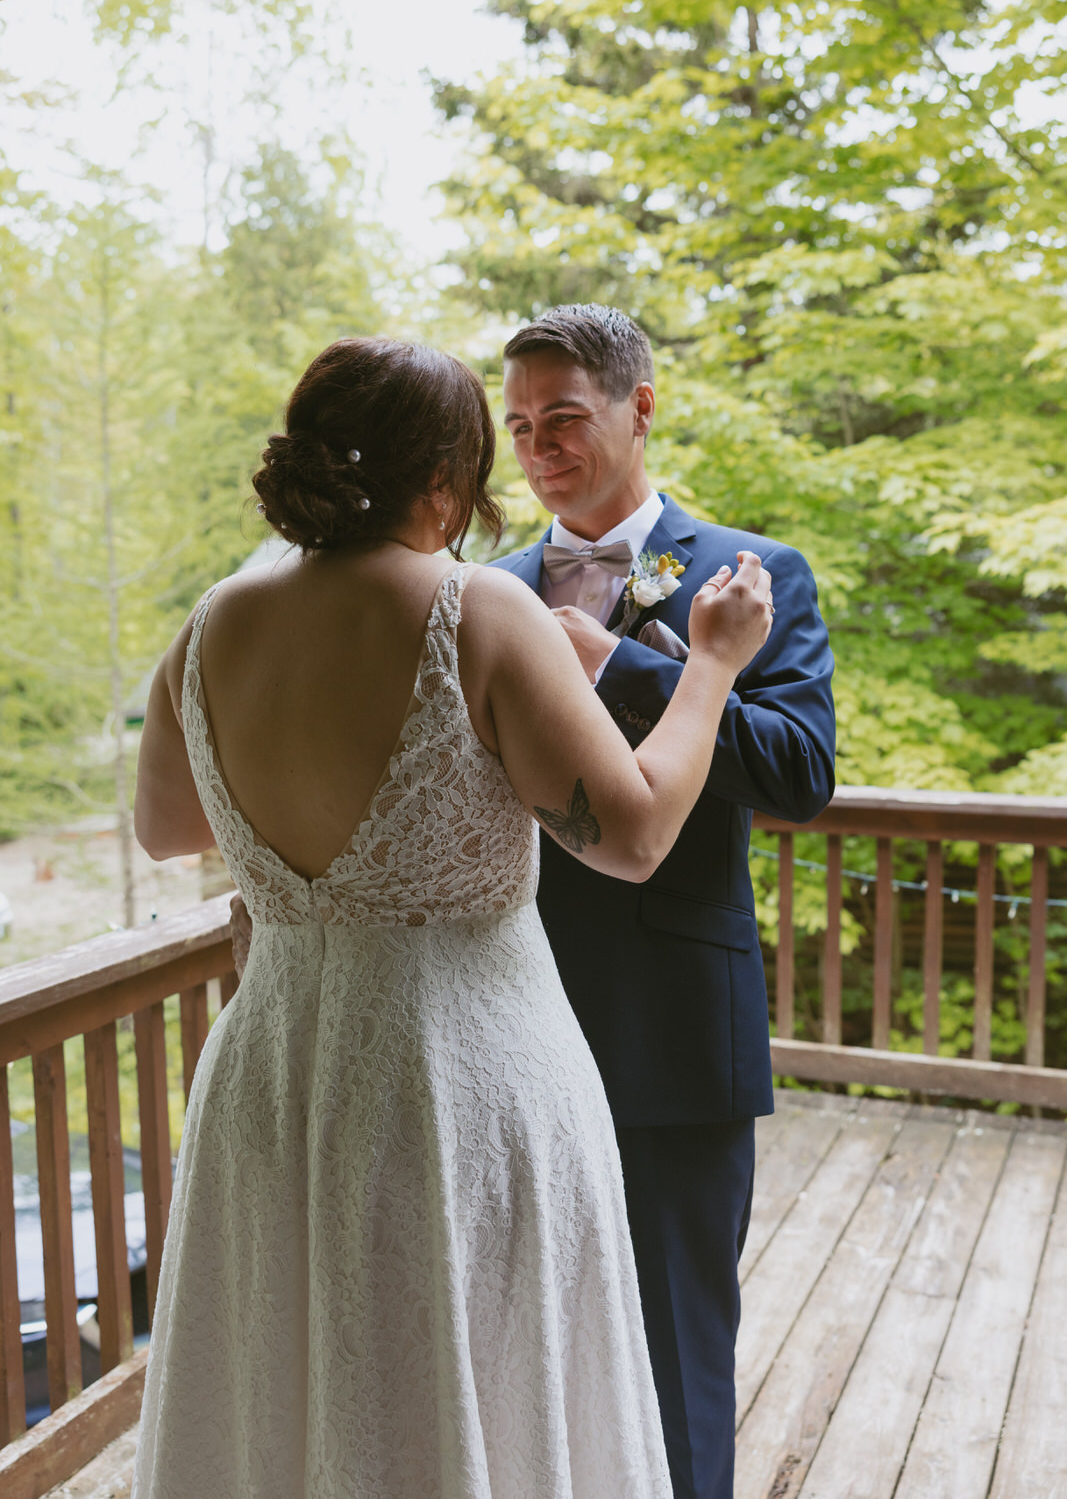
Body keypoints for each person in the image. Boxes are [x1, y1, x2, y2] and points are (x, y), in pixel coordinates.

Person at [131, 335, 774, 1499]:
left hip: (275, 1070)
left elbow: (168, 826)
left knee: (296, 1378)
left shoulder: (214, 621)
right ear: (446, 474)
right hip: (460, 1078)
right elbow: (629, 836)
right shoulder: (476, 607)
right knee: (480, 1380)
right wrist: (711, 669)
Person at [493, 304, 836, 1499]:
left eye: (565, 418)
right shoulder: (481, 589)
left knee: (678, 1345)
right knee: (512, 1342)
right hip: (496, 1016)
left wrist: (630, 662)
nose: (537, 445)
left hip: (672, 1023)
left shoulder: (747, 573)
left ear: (641, 407)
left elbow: (798, 774)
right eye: (520, 423)